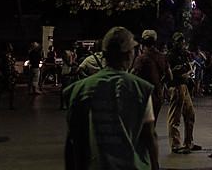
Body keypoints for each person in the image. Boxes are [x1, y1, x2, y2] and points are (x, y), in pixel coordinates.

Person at [63, 26, 159, 170]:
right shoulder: (139, 88)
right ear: (128, 54)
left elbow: (72, 141)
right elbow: (149, 137)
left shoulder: (78, 90)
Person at [167, 32, 201, 154]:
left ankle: (189, 142)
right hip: (176, 86)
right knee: (175, 117)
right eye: (178, 41)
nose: (181, 43)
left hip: (184, 86)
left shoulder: (184, 54)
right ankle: (175, 145)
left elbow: (190, 67)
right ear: (174, 42)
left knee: (190, 114)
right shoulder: (171, 56)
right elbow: (170, 73)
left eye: (182, 41)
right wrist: (183, 69)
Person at [132, 30, 171, 122]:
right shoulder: (162, 57)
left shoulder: (141, 59)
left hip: (144, 96)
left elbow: (133, 76)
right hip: (158, 95)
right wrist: (160, 83)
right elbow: (170, 76)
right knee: (152, 124)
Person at [0, 43, 18, 110]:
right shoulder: (3, 56)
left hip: (10, 75)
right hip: (4, 75)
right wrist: (0, 73)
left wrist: (14, 72)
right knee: (0, 90)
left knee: (11, 90)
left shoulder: (10, 56)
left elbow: (12, 65)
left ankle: (11, 105)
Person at [60, 46, 77, 110]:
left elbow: (72, 62)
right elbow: (69, 63)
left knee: (68, 89)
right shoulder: (66, 53)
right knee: (65, 89)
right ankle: (63, 104)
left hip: (68, 73)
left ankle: (66, 104)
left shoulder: (70, 53)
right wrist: (71, 57)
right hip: (65, 73)